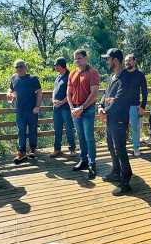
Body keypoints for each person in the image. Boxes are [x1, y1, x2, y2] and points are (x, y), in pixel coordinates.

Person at [99, 48, 133, 195]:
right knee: (111, 146)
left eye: (108, 59)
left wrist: (105, 111)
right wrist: (101, 106)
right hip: (110, 119)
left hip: (119, 119)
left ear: (115, 60)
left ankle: (125, 181)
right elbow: (106, 94)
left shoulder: (125, 78)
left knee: (120, 149)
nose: (106, 62)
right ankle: (115, 172)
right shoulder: (113, 76)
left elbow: (119, 100)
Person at [67, 49, 100, 178]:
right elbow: (68, 93)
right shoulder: (72, 73)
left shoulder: (93, 72)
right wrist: (72, 108)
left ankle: (92, 163)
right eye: (75, 58)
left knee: (88, 136)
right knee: (80, 136)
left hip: (87, 109)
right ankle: (83, 160)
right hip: (75, 108)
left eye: (79, 58)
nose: (77, 61)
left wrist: (81, 108)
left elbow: (94, 93)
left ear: (86, 58)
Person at [7, 59, 43, 163]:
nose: (19, 69)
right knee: (21, 131)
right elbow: (10, 89)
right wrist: (9, 93)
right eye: (17, 67)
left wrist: (37, 106)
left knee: (32, 130)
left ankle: (32, 149)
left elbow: (40, 92)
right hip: (20, 110)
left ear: (25, 67)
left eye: (21, 66)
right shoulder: (14, 78)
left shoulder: (33, 78)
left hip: (32, 110)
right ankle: (21, 151)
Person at [50, 57, 77, 158]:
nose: (54, 67)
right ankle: (57, 149)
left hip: (66, 107)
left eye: (55, 65)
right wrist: (54, 100)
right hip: (56, 107)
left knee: (69, 128)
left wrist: (62, 102)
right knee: (57, 128)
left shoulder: (69, 76)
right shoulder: (58, 77)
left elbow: (72, 92)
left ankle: (72, 149)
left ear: (59, 66)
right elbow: (54, 90)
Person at [124, 54, 148, 157]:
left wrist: (143, 106)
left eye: (129, 60)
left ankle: (136, 147)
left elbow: (145, 92)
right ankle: (122, 147)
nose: (127, 62)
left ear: (134, 61)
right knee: (122, 127)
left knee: (135, 128)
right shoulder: (122, 74)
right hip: (123, 106)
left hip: (135, 105)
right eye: (126, 61)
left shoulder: (139, 75)